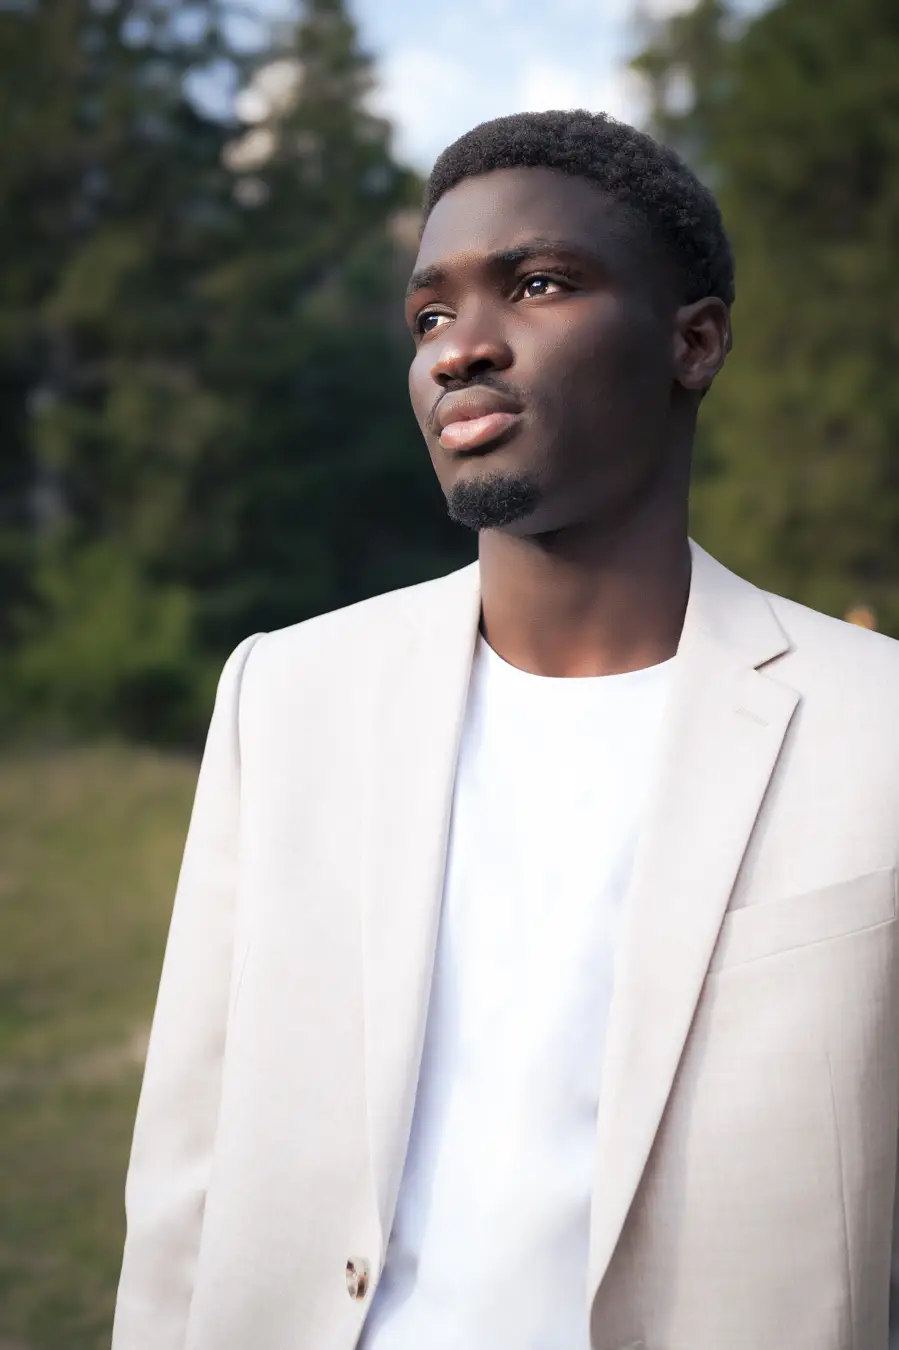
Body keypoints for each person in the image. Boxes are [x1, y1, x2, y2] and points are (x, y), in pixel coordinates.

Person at [111, 110, 899, 1350]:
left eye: (535, 285)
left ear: (691, 342)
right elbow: (185, 1171)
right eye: (429, 315)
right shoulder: (286, 696)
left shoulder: (874, 723)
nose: (459, 348)